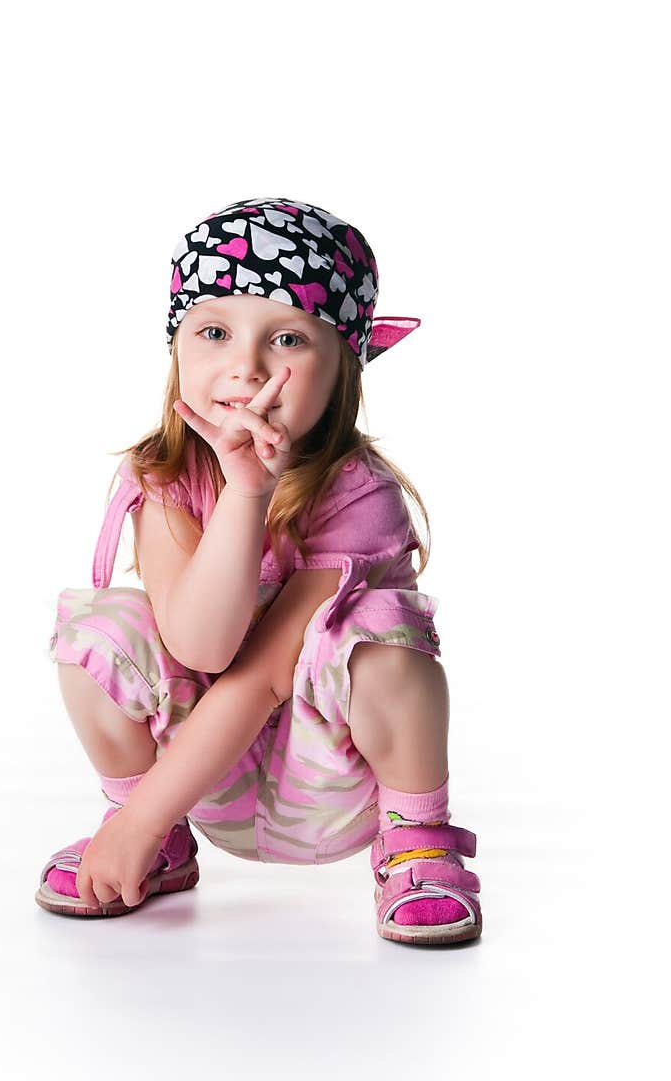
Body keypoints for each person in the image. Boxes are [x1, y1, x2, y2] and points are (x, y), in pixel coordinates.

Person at [36, 195, 482, 945]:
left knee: (380, 636)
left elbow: (264, 675)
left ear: (344, 365)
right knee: (102, 628)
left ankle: (416, 840)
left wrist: (259, 485)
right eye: (213, 331)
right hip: (196, 776)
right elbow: (201, 651)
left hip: (327, 770)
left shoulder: (359, 494)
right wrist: (244, 493)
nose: (245, 367)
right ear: (177, 346)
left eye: (286, 338)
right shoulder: (165, 478)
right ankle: (156, 841)